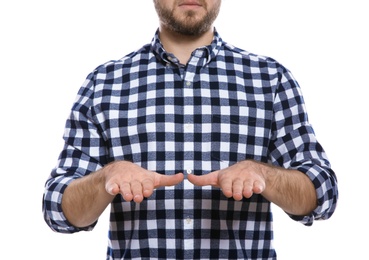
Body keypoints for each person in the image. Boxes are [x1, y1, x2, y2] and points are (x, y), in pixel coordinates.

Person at [42, 0, 338, 259]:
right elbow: (58, 209)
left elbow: (322, 192)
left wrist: (264, 175)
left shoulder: (270, 80)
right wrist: (106, 178)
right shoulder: (104, 83)